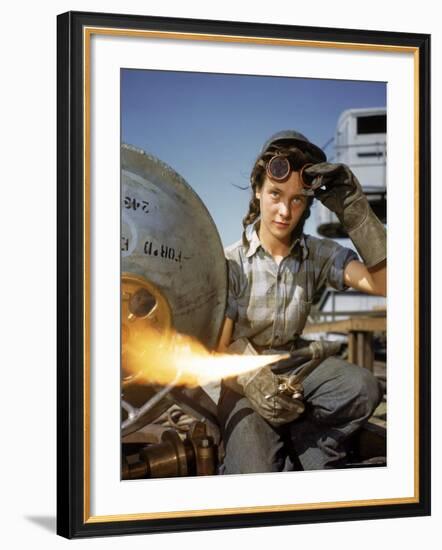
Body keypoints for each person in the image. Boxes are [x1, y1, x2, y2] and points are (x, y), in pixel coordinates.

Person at [216, 130, 386, 474]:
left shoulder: (318, 255)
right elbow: (220, 350)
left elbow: (386, 283)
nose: (284, 211)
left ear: (308, 204)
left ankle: (309, 444)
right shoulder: (230, 262)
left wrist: (354, 208)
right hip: (242, 379)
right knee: (254, 472)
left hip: (295, 369)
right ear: (258, 191)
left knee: (362, 387)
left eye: (297, 200)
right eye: (276, 194)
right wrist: (251, 380)